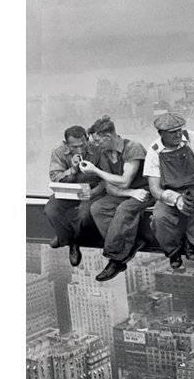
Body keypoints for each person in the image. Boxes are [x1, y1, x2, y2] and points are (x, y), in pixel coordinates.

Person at [144, 112, 194, 269]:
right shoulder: (154, 151)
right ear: (161, 133)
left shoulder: (193, 138)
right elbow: (155, 189)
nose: (178, 134)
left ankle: (192, 243)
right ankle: (173, 251)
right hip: (170, 192)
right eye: (172, 132)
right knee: (159, 218)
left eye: (179, 130)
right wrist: (176, 199)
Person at [81, 116, 151, 281]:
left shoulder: (133, 148)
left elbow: (124, 181)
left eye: (97, 141)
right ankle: (131, 244)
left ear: (107, 137)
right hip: (128, 193)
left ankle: (116, 259)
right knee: (98, 208)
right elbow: (110, 186)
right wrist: (129, 193)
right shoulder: (104, 153)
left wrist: (95, 171)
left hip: (146, 191)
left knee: (124, 209)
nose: (96, 145)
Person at [44, 125, 104, 267]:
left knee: (84, 215)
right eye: (75, 147)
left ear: (87, 139)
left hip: (91, 190)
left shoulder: (98, 150)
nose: (80, 150)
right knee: (50, 210)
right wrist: (73, 170)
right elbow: (55, 177)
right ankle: (68, 239)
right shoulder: (58, 152)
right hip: (68, 190)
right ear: (66, 144)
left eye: (82, 145)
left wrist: (94, 192)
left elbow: (105, 178)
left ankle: (70, 241)